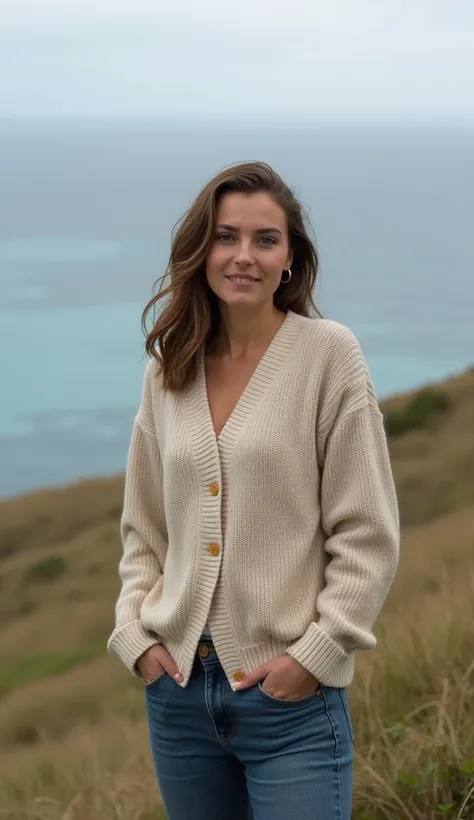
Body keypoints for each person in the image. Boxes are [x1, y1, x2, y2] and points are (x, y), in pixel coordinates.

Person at [107, 161, 400, 820]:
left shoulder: (329, 355)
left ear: (290, 257)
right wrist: (136, 639)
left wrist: (316, 655)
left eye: (265, 239)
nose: (244, 255)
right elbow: (144, 531)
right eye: (226, 236)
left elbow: (368, 535)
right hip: (178, 694)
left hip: (290, 701)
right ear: (200, 250)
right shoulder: (169, 367)